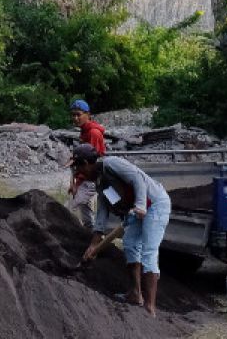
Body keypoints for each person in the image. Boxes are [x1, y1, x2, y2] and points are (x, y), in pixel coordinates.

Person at [73, 144, 171, 317]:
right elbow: (102, 213)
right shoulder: (101, 183)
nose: (78, 171)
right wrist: (93, 245)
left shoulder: (111, 164)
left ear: (88, 163)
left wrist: (140, 205)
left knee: (148, 252)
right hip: (135, 210)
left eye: (79, 166)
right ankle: (135, 294)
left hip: (154, 204)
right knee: (131, 245)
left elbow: (138, 179)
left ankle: (150, 308)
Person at [67, 100, 107, 228]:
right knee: (86, 213)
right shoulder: (84, 131)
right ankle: (91, 237)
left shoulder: (93, 133)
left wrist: (77, 184)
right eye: (73, 115)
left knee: (67, 209)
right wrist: (73, 182)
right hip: (85, 177)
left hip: (90, 178)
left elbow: (90, 164)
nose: (75, 118)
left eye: (78, 114)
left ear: (88, 114)